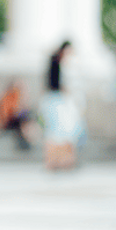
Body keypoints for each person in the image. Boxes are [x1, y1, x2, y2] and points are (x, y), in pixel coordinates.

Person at [39, 41, 83, 170]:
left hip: (61, 101)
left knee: (64, 132)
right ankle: (54, 160)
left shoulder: (63, 65)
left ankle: (64, 160)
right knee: (55, 132)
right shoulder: (56, 63)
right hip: (57, 100)